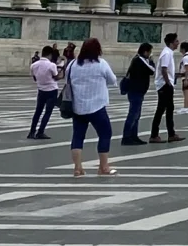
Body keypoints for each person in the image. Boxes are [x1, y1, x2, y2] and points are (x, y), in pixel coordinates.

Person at [66, 36, 118, 178]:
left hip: (78, 106)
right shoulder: (101, 64)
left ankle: (77, 168)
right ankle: (103, 166)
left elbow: (67, 80)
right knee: (105, 134)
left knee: (77, 136)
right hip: (97, 106)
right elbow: (112, 79)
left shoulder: (72, 65)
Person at [119, 41, 155, 146]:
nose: (150, 54)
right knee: (133, 114)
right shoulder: (139, 60)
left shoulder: (139, 60)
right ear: (145, 52)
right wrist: (151, 61)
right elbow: (152, 70)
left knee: (136, 114)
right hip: (136, 91)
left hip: (138, 91)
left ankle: (133, 135)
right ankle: (126, 136)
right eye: (149, 52)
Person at [149, 35, 179, 143]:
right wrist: (168, 83)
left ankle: (171, 133)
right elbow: (164, 69)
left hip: (165, 84)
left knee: (169, 109)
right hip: (164, 85)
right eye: (176, 41)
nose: (178, 43)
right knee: (161, 109)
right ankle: (154, 135)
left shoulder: (168, 52)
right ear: (171, 43)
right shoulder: (166, 53)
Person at [27, 47, 61, 139]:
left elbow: (34, 78)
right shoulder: (51, 65)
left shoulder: (34, 65)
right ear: (50, 54)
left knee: (38, 111)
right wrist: (61, 74)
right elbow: (56, 77)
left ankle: (32, 131)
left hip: (41, 89)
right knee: (47, 112)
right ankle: (40, 131)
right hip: (51, 90)